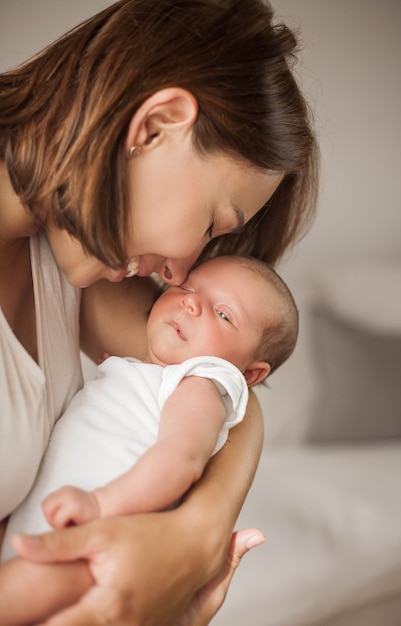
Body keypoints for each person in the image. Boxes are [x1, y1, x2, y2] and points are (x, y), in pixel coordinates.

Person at [0, 0, 319, 623]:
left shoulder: (77, 261)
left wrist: (193, 538)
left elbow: (223, 390)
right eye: (209, 224)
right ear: (155, 126)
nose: (180, 274)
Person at [0, 254, 298, 624]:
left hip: (96, 540)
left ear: (249, 374)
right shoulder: (149, 374)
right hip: (50, 533)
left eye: (223, 314)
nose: (192, 301)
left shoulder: (200, 385)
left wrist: (99, 504)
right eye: (187, 288)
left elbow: (181, 460)